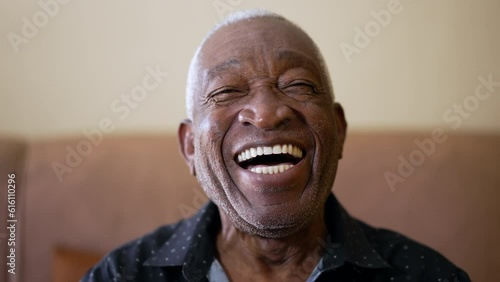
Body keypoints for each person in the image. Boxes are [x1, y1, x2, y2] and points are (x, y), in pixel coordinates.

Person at [81, 10, 470, 282]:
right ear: (190, 149)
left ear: (338, 131)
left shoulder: (428, 275)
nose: (267, 114)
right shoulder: (121, 276)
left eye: (297, 85)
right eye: (227, 91)